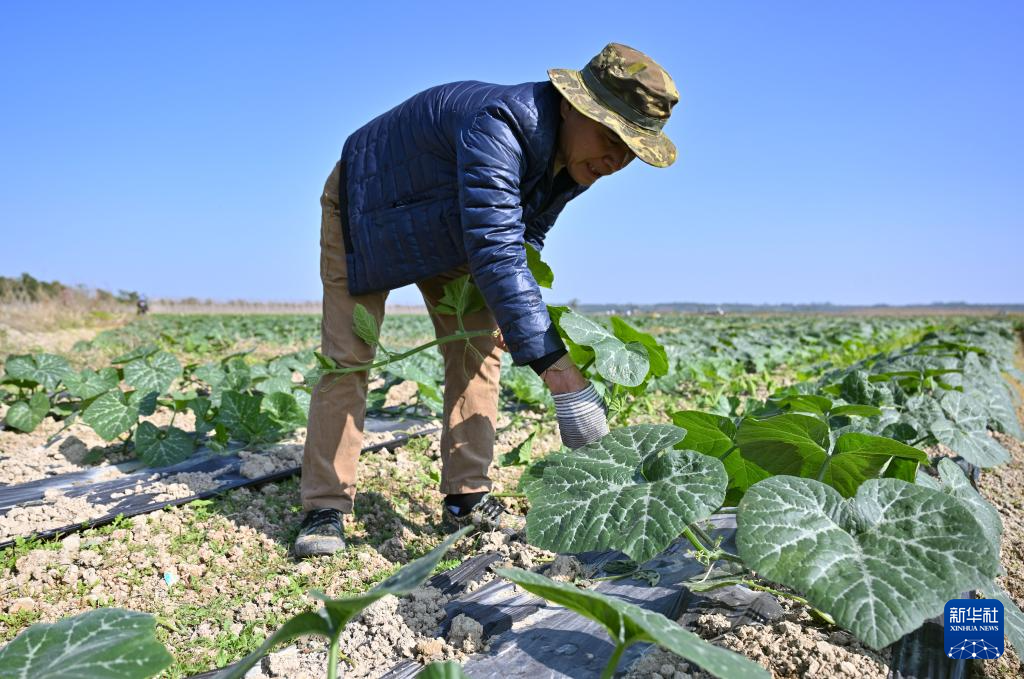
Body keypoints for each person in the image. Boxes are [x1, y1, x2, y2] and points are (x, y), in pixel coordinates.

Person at [294, 42, 680, 558]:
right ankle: (326, 505)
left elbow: (527, 234)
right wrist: (562, 377)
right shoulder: (499, 126)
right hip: (369, 208)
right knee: (349, 357)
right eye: (611, 135)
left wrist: (510, 315)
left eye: (632, 147)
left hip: (457, 227)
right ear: (570, 104)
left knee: (479, 348)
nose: (617, 158)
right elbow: (498, 248)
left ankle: (466, 497)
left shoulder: (580, 159)